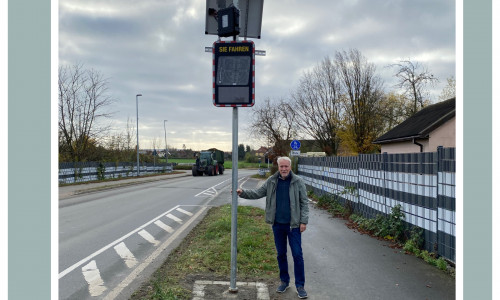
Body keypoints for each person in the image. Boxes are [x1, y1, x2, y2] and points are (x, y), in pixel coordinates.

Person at [237, 156, 309, 299]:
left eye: (286, 166)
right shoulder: (271, 181)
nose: (283, 169)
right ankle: (284, 281)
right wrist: (242, 192)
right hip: (277, 224)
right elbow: (258, 193)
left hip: (293, 226)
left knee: (297, 255)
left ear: (290, 167)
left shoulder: (298, 182)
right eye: (281, 166)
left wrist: (303, 222)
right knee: (281, 254)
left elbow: (304, 203)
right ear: (278, 167)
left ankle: (300, 285)